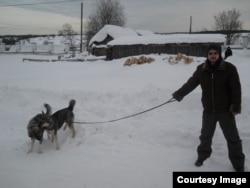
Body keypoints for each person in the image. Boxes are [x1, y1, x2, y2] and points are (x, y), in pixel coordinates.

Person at [172, 43, 245, 172]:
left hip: (225, 111)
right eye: (210, 53)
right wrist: (179, 94)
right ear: (207, 55)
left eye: (215, 53)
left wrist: (235, 107)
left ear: (219, 54)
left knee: (233, 138)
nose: (213, 56)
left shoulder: (229, 68)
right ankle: (203, 156)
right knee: (205, 136)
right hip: (209, 111)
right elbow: (191, 83)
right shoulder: (201, 69)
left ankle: (238, 164)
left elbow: (236, 89)